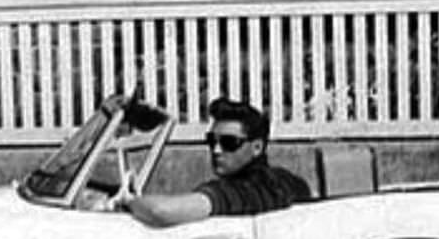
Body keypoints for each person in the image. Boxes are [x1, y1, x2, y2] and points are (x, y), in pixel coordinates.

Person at [113, 97, 310, 226]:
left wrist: (130, 202)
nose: (216, 150)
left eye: (229, 142)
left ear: (257, 147)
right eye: (211, 141)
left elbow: (160, 212)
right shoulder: (289, 182)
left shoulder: (236, 191)